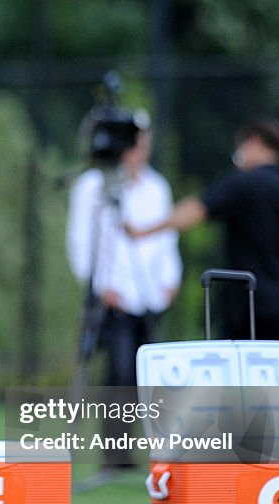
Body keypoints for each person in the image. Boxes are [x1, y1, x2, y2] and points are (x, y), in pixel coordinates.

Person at [66, 116, 181, 475]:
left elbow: (166, 238)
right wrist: (101, 286)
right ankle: (115, 454)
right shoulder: (94, 185)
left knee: (148, 378)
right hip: (114, 297)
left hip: (150, 296)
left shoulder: (156, 187)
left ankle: (153, 452)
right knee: (118, 372)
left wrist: (170, 279)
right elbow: (81, 239)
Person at [135, 119, 279, 340]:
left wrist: (144, 231)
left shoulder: (242, 184)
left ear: (253, 142)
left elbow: (196, 211)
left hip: (248, 305)